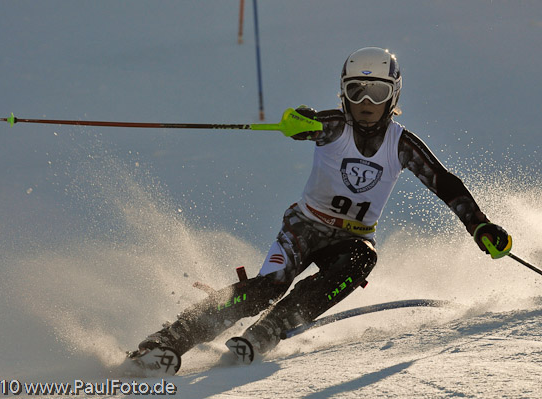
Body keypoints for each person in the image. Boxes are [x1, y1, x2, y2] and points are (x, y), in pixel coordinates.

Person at [133, 47, 512, 365]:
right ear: (343, 93)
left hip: (351, 239)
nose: (366, 102)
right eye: (356, 90)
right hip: (304, 227)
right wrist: (298, 122)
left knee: (363, 259)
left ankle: (269, 330)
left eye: (377, 93)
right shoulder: (334, 126)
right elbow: (311, 124)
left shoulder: (401, 144)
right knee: (269, 288)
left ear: (393, 96)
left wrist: (479, 225)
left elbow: (443, 182)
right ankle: (168, 340)